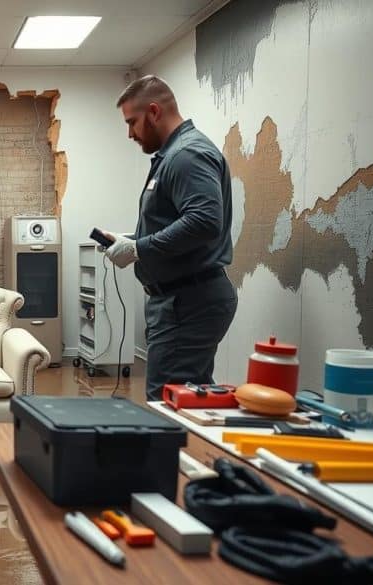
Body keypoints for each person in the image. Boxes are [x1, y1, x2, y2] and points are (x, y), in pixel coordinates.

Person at [99, 75, 237, 400]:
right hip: (180, 301)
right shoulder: (173, 155)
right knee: (182, 402)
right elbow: (178, 222)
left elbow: (204, 221)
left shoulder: (186, 155)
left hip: (188, 302)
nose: (130, 133)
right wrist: (131, 240)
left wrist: (138, 248)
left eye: (132, 122)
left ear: (154, 111)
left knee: (168, 405)